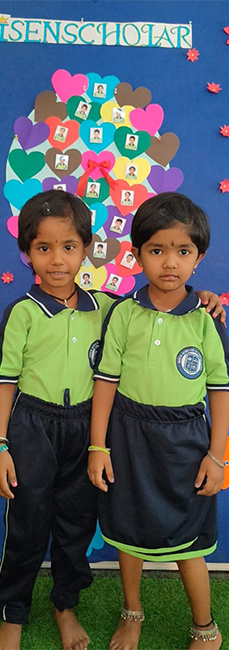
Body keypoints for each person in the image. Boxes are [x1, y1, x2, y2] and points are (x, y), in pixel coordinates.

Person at [89, 193, 228, 650]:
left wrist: (216, 456)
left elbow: (220, 391)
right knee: (128, 533)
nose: (170, 262)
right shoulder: (123, 314)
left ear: (198, 257)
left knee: (190, 542)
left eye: (183, 251)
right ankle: (132, 613)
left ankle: (205, 626)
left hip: (187, 442)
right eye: (157, 250)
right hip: (128, 437)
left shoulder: (207, 319)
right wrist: (97, 446)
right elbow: (105, 383)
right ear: (136, 254)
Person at [0, 191, 106, 650]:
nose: (57, 259)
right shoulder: (22, 313)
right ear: (27, 252)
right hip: (32, 428)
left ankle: (64, 604)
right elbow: (3, 382)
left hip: (86, 429)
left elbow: (157, 303)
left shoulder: (107, 309)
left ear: (86, 248)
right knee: (27, 524)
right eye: (43, 247)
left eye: (68, 246)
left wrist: (201, 298)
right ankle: (13, 612)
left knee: (77, 524)